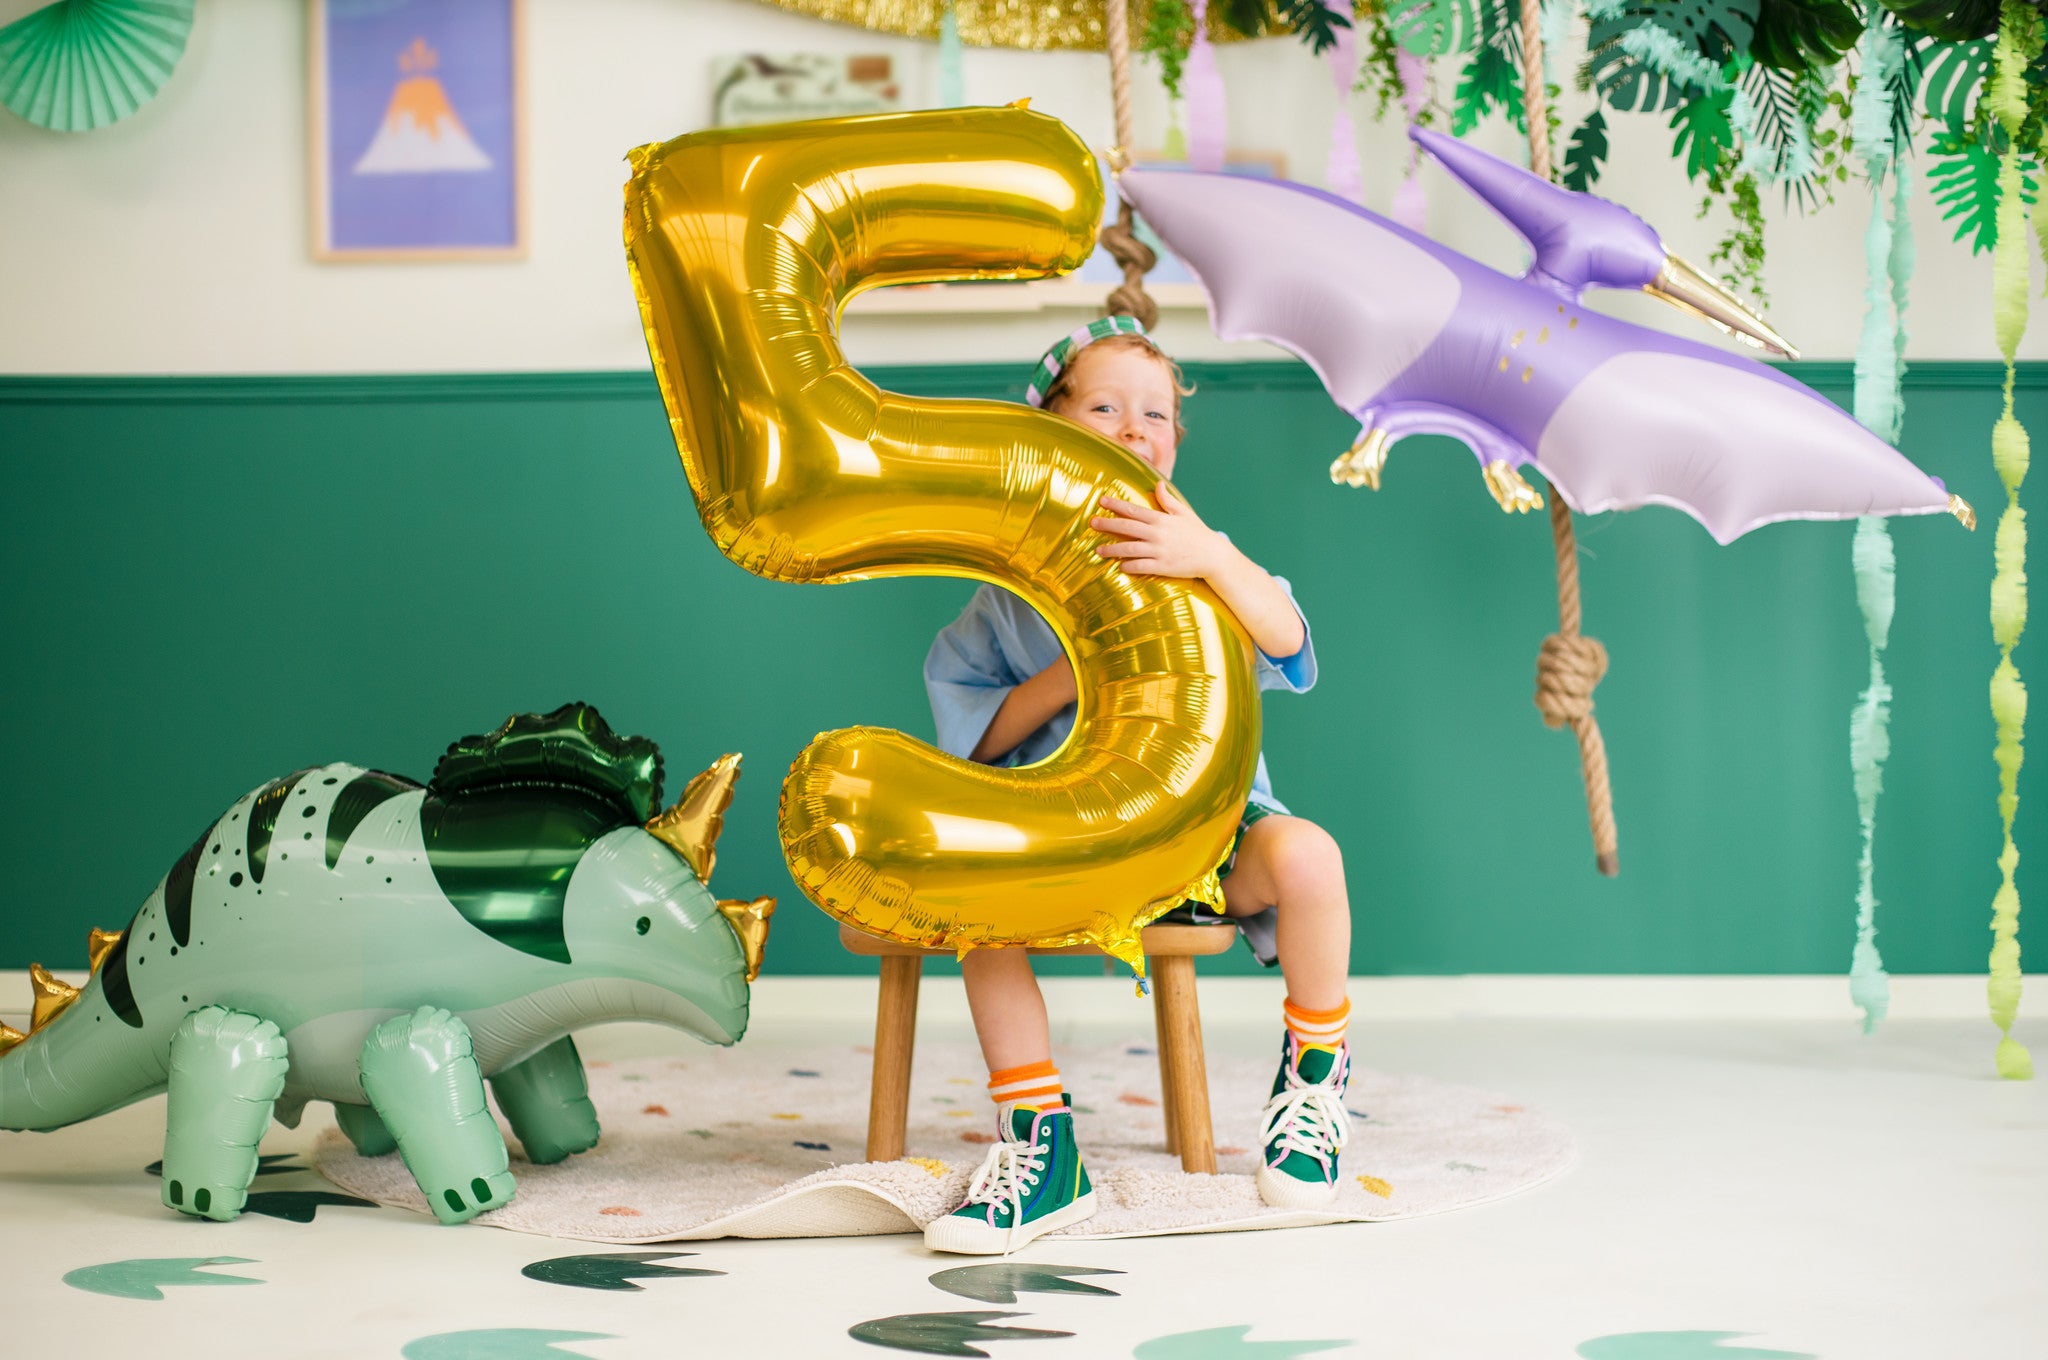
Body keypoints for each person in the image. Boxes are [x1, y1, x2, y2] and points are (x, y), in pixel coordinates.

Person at [921, 315, 1354, 1255]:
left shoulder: (1203, 558)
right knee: (976, 914)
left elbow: (1287, 641)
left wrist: (1213, 558)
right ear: (1052, 430)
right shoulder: (1009, 594)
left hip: (1207, 841)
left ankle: (1315, 1081)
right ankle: (1040, 1142)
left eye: (1155, 414)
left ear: (1175, 443)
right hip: (1069, 842)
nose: (1133, 428)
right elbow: (975, 736)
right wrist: (1071, 672)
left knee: (1312, 858)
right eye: (1105, 408)